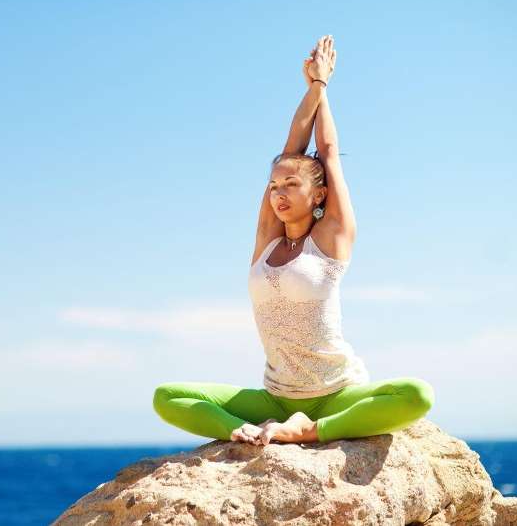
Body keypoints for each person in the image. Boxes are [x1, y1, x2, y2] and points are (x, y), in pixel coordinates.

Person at [153, 35, 434, 446]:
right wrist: (312, 89)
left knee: (416, 394)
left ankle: (313, 431)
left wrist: (321, 87)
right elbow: (290, 151)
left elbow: (327, 151)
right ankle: (243, 432)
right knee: (168, 397)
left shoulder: (332, 238)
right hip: (276, 399)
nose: (278, 194)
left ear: (318, 194)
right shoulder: (267, 239)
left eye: (291, 184)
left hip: (337, 393)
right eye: (273, 186)